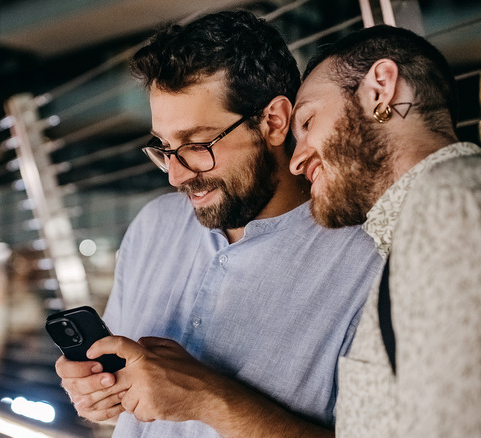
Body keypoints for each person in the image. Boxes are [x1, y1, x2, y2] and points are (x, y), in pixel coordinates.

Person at [55, 10, 382, 437]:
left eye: (196, 144)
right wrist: (102, 397)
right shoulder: (153, 225)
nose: (176, 175)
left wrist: (208, 399)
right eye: (165, 148)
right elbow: (128, 407)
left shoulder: (370, 260)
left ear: (274, 121)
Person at [289, 24, 481, 437]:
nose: (295, 161)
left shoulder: (459, 203)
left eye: (307, 122)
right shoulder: (433, 221)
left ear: (380, 89)